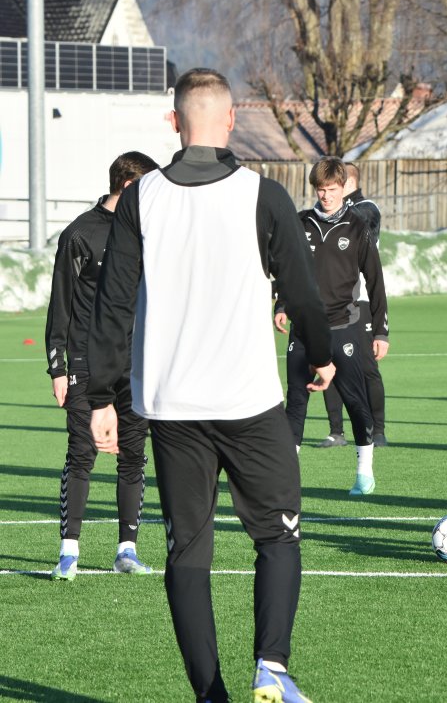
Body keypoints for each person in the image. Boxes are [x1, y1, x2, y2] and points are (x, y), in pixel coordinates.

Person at [88, 68, 332, 703]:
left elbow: (112, 306)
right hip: (249, 402)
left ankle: (210, 695)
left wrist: (99, 398)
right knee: (277, 535)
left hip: (171, 409)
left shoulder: (140, 198)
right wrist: (320, 356)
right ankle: (271, 666)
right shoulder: (263, 194)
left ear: (174, 122)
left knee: (187, 551)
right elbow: (303, 293)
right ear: (230, 120)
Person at [44, 151, 159, 581]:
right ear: (128, 187)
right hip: (85, 364)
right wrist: (58, 367)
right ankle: (68, 552)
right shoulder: (80, 234)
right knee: (81, 454)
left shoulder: (150, 233)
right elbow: (61, 305)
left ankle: (126, 549)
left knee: (133, 456)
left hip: (137, 364)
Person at [276, 156, 389, 495]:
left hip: (345, 325)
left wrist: (381, 331)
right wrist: (281, 304)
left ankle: (364, 473)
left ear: (343, 188)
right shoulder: (301, 222)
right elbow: (287, 267)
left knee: (354, 399)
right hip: (303, 326)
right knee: (296, 400)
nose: (326, 196)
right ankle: (287, 478)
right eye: (321, 190)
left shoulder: (357, 226)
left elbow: (375, 281)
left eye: (332, 189)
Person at [317, 161, 388, 449]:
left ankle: (378, 430)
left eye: (335, 183)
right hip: (331, 301)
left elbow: (351, 225)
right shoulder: (327, 212)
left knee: (367, 367)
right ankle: (336, 431)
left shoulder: (366, 209)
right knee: (328, 363)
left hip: (362, 300)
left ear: (348, 183)